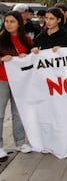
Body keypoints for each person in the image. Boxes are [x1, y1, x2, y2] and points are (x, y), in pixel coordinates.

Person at [0, 11, 33, 160]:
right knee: (0, 113)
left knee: (18, 112)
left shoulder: (26, 39)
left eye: (12, 21)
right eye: (6, 21)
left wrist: (27, 57)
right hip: (2, 80)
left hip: (20, 81)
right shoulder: (1, 39)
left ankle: (20, 142)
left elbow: (33, 57)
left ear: (19, 23)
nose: (8, 24)